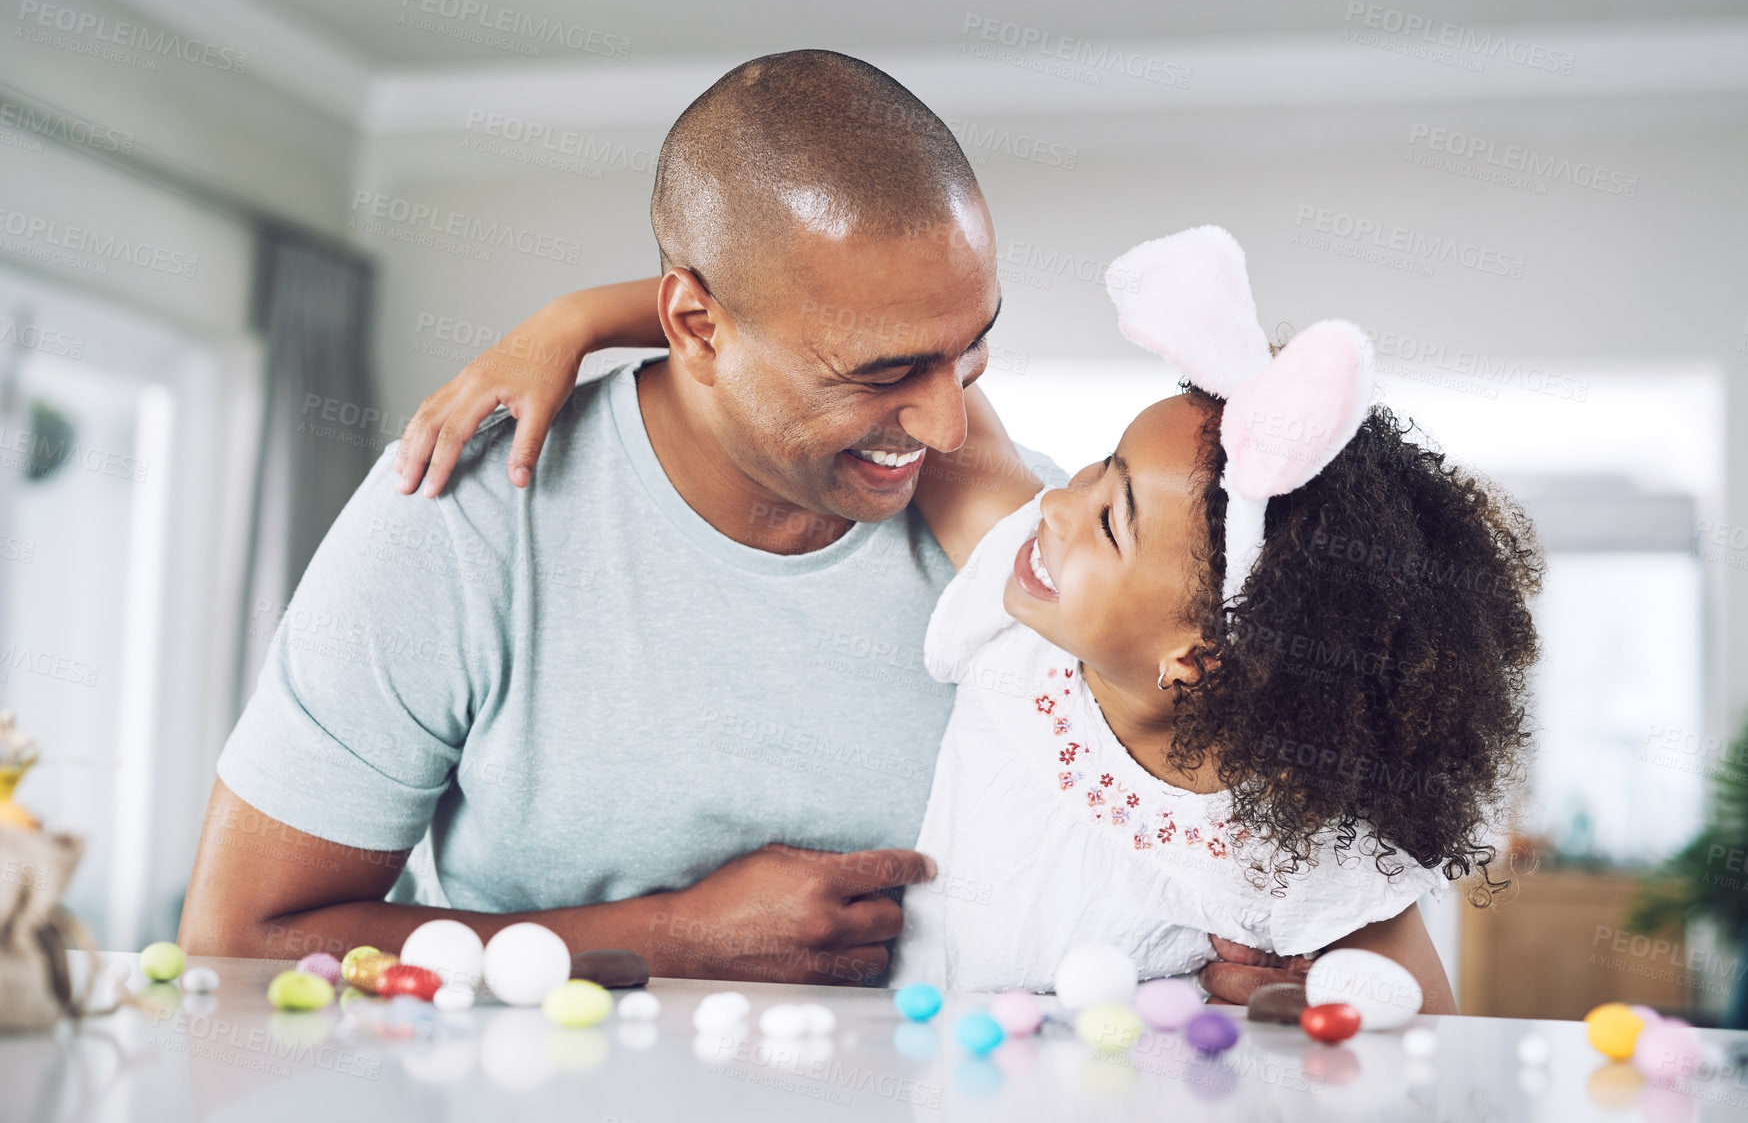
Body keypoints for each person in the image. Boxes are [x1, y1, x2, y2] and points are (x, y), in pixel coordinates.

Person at [392, 229, 1544, 1009]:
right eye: (1096, 465)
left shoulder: (1281, 833)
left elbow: (1408, 1008)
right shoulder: (1015, 613)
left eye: (1112, 519)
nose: (1055, 502)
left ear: (1197, 660)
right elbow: (818, 341)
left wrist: (1302, 1006)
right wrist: (580, 322)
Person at [179, 50, 1031, 986]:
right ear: (698, 329)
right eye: (881, 372)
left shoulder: (1021, 539)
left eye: (972, 346)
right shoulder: (459, 518)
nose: (946, 422)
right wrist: (673, 939)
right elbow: (241, 940)